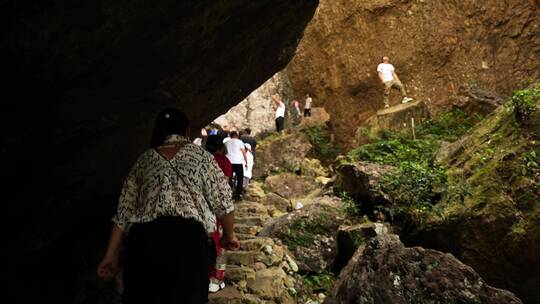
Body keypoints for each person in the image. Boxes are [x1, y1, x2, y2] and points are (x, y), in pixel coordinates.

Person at [96, 108, 240, 304]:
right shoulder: (202, 157)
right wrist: (229, 235)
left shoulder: (144, 160)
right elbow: (224, 201)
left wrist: (110, 255)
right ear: (187, 130)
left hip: (144, 242)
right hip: (188, 243)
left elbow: (123, 212)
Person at [204, 135, 233, 293]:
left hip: (202, 207)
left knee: (207, 242)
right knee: (220, 244)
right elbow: (224, 186)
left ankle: (209, 276)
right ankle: (218, 278)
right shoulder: (224, 162)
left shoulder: (201, 159)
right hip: (218, 209)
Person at [224, 131, 248, 199]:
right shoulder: (240, 142)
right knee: (240, 178)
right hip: (238, 162)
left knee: (229, 178)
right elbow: (244, 152)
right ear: (237, 136)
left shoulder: (226, 142)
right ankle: (238, 193)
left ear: (231, 136)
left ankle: (228, 192)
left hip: (228, 162)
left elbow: (223, 152)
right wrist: (246, 162)